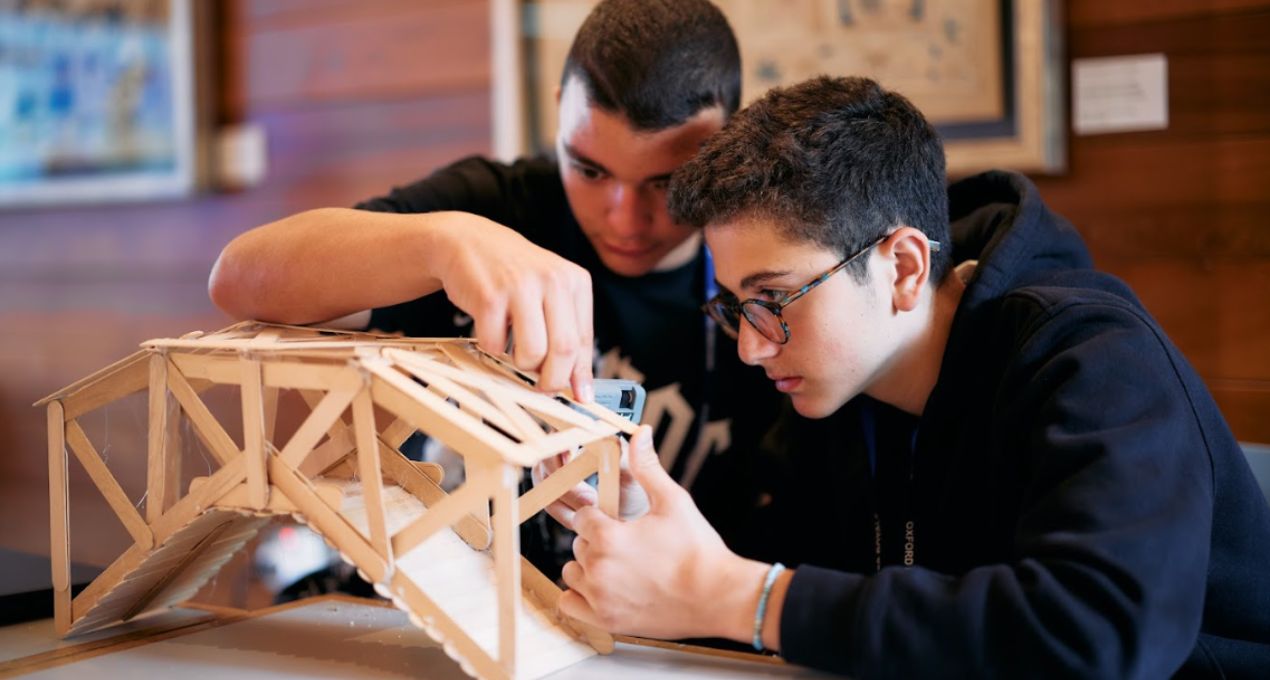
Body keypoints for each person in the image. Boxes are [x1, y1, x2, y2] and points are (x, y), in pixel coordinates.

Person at [557, 76, 1270, 678]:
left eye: (774, 301)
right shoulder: (834, 396)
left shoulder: (1093, 361)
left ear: (902, 268)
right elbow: (752, 561)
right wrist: (641, 532)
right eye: (738, 307)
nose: (750, 347)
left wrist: (747, 598)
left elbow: (1103, 633)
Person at [207, 0, 786, 575]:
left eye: (668, 183)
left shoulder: (767, 277)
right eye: (589, 170)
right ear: (560, 117)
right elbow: (236, 278)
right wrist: (445, 243)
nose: (625, 219)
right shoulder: (498, 207)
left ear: (725, 143)